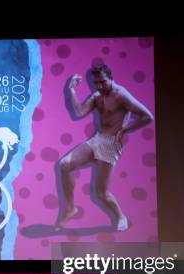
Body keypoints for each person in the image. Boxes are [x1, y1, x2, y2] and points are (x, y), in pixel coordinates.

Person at [55, 64, 154, 231]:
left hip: (111, 145)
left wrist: (126, 130)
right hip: (97, 139)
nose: (100, 86)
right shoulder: (97, 96)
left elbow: (147, 116)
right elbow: (79, 112)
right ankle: (70, 209)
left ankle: (120, 216)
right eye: (96, 83)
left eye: (103, 82)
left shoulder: (121, 95)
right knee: (64, 164)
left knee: (100, 194)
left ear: (111, 78)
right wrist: (72, 90)